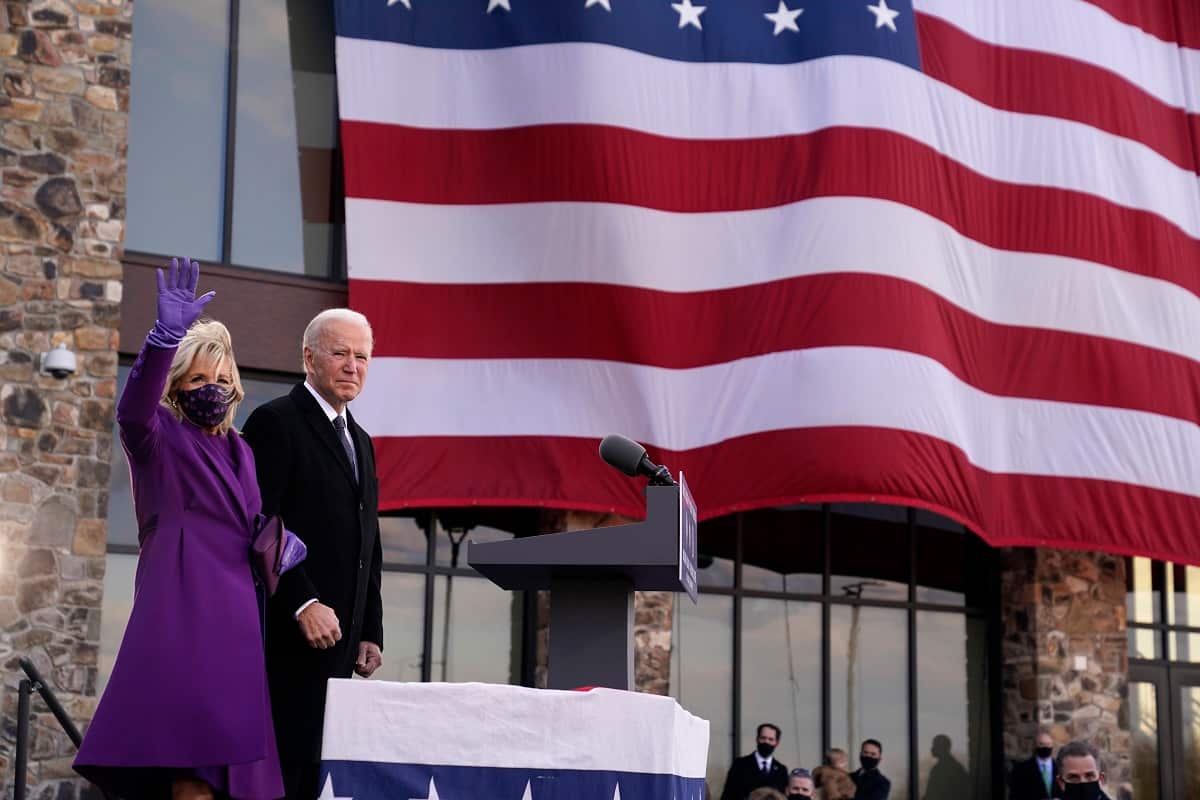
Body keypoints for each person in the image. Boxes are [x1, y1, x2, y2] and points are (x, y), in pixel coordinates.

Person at [73, 258, 283, 800]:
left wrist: (282, 545)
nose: (210, 388)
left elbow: (251, 525)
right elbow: (132, 411)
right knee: (191, 765)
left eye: (219, 379)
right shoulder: (159, 435)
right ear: (177, 386)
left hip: (237, 617)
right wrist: (163, 337)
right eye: (196, 379)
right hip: (183, 609)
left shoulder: (241, 450)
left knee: (227, 772)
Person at [242, 308, 384, 800]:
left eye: (361, 356)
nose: (352, 366)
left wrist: (370, 628)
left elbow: (370, 541)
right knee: (283, 776)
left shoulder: (361, 441)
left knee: (318, 779)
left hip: (341, 647)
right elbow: (260, 525)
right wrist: (302, 602)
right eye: (340, 353)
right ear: (308, 357)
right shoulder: (274, 422)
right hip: (285, 641)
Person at [720, 724, 790, 800]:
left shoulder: (781, 770)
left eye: (770, 739)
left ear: (776, 742)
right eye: (763, 738)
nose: (766, 742)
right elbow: (728, 795)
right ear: (757, 739)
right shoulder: (740, 765)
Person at [1009, 729, 1058, 800]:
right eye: (1041, 744)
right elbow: (1015, 795)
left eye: (1048, 744)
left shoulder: (1061, 768)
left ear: (1052, 745)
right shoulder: (1021, 769)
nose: (1045, 747)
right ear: (1035, 746)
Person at [923, 734, 970, 800]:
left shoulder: (940, 769)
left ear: (941, 747)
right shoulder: (956, 767)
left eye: (934, 745)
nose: (932, 748)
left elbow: (933, 794)